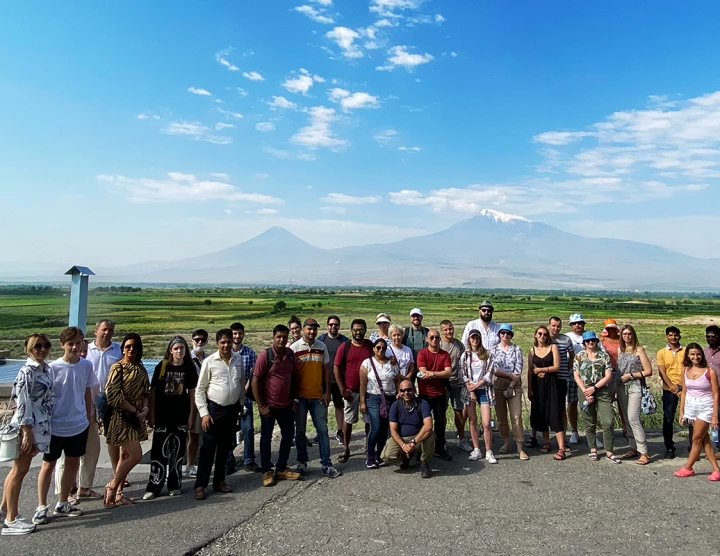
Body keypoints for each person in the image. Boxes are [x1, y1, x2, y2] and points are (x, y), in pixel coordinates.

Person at [33, 327, 94, 525]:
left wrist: (88, 413)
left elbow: (86, 392)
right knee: (48, 464)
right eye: (71, 344)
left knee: (73, 463)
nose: (75, 347)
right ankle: (41, 506)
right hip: (56, 425)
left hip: (78, 424)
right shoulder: (53, 368)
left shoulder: (86, 365)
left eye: (79, 342)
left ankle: (62, 502)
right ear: (62, 345)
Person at [0, 334, 53, 535]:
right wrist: (27, 431)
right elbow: (22, 404)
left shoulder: (45, 369)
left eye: (46, 345)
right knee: (19, 471)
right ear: (28, 349)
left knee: (18, 470)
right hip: (28, 429)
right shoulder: (27, 372)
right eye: (37, 346)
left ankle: (5, 509)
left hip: (38, 428)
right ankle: (11, 520)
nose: (42, 349)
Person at [143, 336, 198, 499]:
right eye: (176, 348)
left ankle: (175, 484)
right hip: (162, 416)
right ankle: (154, 486)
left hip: (180, 416)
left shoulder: (189, 367)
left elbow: (192, 393)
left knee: (177, 452)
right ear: (170, 350)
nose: (179, 351)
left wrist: (191, 416)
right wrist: (151, 414)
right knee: (158, 453)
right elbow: (153, 391)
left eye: (182, 348)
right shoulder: (162, 366)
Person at [194, 329, 245, 500]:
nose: (226, 345)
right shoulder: (210, 362)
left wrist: (240, 405)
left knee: (224, 448)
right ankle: (200, 485)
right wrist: (204, 414)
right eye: (222, 342)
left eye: (228, 342)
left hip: (231, 410)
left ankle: (219, 481)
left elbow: (241, 383)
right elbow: (200, 390)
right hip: (214, 410)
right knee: (208, 449)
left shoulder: (238, 360)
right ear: (217, 344)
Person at [103, 333, 151, 508]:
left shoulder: (140, 368)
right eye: (128, 346)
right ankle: (113, 485)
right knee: (136, 454)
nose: (131, 349)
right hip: (122, 417)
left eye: (135, 346)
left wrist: (144, 410)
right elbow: (112, 394)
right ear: (123, 347)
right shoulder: (118, 368)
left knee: (125, 455)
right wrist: (133, 409)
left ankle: (118, 494)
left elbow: (147, 392)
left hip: (137, 417)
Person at [290, 318, 341, 478]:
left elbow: (327, 370)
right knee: (300, 432)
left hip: (318, 396)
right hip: (301, 398)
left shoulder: (322, 346)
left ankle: (326, 464)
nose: (312, 332)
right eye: (309, 329)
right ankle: (302, 463)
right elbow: (291, 375)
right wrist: (293, 397)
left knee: (323, 431)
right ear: (303, 330)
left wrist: (327, 393)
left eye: (314, 329)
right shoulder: (294, 348)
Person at [253, 325, 302, 487]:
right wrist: (261, 405)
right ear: (273, 337)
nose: (281, 340)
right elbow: (255, 381)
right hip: (269, 406)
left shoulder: (290, 355)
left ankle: (281, 468)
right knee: (266, 438)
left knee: (288, 436)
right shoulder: (265, 356)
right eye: (278, 337)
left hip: (287, 405)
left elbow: (295, 377)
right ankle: (266, 470)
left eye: (284, 337)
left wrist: (295, 399)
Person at [674, 344, 720, 480]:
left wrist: (715, 415)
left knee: (696, 439)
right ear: (688, 355)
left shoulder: (709, 372)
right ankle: (716, 469)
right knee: (704, 439)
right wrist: (682, 411)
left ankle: (688, 467)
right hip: (691, 407)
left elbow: (716, 394)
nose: (696, 357)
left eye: (698, 354)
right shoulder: (685, 370)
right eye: (692, 354)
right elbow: (684, 392)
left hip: (705, 407)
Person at [85, 319, 121, 492]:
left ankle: (117, 474)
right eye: (104, 329)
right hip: (88, 401)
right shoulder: (86, 351)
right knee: (86, 444)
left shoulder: (118, 349)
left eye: (111, 330)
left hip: (111, 400)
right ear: (96, 331)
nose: (107, 333)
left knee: (113, 439)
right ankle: (79, 483)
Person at [573, 331, 620, 463]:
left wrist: (595, 388)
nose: (590, 343)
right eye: (588, 341)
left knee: (608, 421)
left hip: (601, 390)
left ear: (596, 341)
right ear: (584, 343)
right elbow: (576, 374)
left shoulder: (604, 356)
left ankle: (609, 450)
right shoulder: (579, 356)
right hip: (584, 389)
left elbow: (608, 375)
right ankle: (592, 448)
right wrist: (585, 390)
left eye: (593, 340)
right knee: (589, 420)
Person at [334, 319, 373, 464]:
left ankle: (369, 446)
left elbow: (379, 358)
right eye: (356, 330)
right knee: (349, 420)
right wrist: (342, 389)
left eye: (361, 330)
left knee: (369, 420)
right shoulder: (345, 347)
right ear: (351, 331)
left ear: (365, 330)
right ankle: (346, 447)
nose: (358, 332)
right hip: (351, 391)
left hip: (369, 390)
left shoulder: (370, 345)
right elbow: (336, 368)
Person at [380, 380, 435, 478]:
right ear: (399, 392)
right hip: (402, 438)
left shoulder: (422, 403)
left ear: (414, 390)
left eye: (409, 390)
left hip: (417, 438)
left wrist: (413, 442)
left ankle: (424, 463)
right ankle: (405, 457)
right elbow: (393, 430)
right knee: (386, 456)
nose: (406, 393)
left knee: (429, 434)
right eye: (402, 390)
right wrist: (403, 445)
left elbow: (428, 425)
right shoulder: (395, 405)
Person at [360, 338, 401, 468]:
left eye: (383, 348)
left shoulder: (392, 363)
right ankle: (370, 456)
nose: (381, 350)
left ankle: (380, 454)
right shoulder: (367, 363)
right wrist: (362, 402)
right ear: (373, 349)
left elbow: (397, 380)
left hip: (390, 397)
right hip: (373, 397)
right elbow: (363, 384)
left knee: (384, 428)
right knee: (376, 427)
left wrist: (399, 392)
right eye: (378, 347)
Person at [528, 326, 566, 460]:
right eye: (540, 334)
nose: (542, 336)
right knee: (542, 412)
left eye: (545, 334)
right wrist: (530, 389)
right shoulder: (532, 351)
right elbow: (530, 371)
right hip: (538, 386)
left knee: (555, 413)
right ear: (536, 335)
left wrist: (542, 370)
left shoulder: (553, 347)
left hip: (552, 384)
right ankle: (546, 442)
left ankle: (561, 448)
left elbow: (557, 366)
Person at [460, 329, 497, 464]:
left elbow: (489, 374)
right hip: (469, 391)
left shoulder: (487, 354)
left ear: (480, 339)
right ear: (469, 340)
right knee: (472, 420)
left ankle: (489, 451)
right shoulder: (465, 355)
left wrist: (476, 386)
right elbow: (462, 373)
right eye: (472, 338)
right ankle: (476, 448)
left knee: (486, 423)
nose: (475, 340)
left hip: (484, 390)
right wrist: (471, 389)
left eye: (477, 337)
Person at [616, 325, 652, 465]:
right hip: (621, 387)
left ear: (633, 335)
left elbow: (648, 371)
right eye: (624, 334)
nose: (627, 336)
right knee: (626, 418)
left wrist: (631, 375)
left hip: (635, 386)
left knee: (633, 418)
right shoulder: (620, 350)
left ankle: (644, 452)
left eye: (629, 334)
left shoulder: (639, 350)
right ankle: (633, 447)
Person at [491, 324, 527, 460]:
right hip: (499, 384)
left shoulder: (517, 349)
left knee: (516, 416)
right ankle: (507, 442)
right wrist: (509, 375)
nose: (505, 335)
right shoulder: (493, 350)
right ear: (499, 334)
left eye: (508, 333)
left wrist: (512, 382)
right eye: (503, 333)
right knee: (501, 417)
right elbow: (494, 369)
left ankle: (519, 447)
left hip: (514, 385)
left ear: (511, 335)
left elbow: (518, 368)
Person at [416, 329, 453, 461]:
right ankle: (420, 448)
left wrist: (433, 374)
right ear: (427, 339)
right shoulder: (422, 354)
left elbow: (448, 372)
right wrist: (437, 373)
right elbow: (423, 372)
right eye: (431, 338)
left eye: (437, 337)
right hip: (425, 394)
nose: (434, 340)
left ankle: (440, 448)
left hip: (440, 394)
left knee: (440, 422)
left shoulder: (445, 354)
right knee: (423, 423)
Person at [229, 322, 259, 474]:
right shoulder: (225, 353)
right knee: (228, 431)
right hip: (228, 399)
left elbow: (253, 374)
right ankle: (228, 461)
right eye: (234, 333)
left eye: (239, 333)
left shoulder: (250, 353)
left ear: (243, 334)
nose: (237, 336)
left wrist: (245, 390)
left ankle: (249, 460)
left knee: (247, 430)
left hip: (245, 398)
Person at [657, 326, 687, 459]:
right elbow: (662, 372)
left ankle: (693, 446)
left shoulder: (686, 351)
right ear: (666, 337)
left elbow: (688, 369)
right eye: (670, 335)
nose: (673, 337)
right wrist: (673, 387)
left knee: (691, 418)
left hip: (686, 388)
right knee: (668, 419)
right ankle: (669, 447)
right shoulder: (661, 352)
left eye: (675, 335)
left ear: (679, 336)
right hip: (669, 390)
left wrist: (680, 386)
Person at [440, 320, 469, 452]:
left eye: (450, 329)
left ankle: (462, 439)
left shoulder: (459, 345)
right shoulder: (439, 344)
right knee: (442, 413)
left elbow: (465, 363)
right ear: (442, 331)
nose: (449, 332)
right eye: (445, 330)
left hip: (458, 384)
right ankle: (442, 440)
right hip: (443, 383)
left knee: (459, 411)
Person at [318, 315, 348, 445]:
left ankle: (340, 431)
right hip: (323, 379)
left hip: (339, 380)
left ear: (339, 326)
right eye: (331, 324)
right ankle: (322, 432)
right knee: (323, 406)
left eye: (336, 325)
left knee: (339, 406)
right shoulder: (321, 339)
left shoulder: (344, 341)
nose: (333, 327)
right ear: (327, 326)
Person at [548, 316, 577, 446]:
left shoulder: (566, 339)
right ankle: (548, 439)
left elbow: (572, 356)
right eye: (553, 326)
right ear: (549, 325)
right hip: (548, 378)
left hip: (561, 378)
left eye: (558, 326)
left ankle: (563, 438)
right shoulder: (545, 338)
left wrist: (567, 368)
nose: (556, 328)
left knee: (561, 409)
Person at [186, 329, 208, 478]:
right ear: (192, 340)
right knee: (192, 434)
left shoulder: (209, 358)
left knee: (207, 434)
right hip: (190, 401)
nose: (199, 342)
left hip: (207, 401)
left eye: (202, 340)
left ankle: (204, 464)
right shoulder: (187, 358)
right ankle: (189, 465)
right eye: (197, 339)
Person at [601, 318, 628, 437]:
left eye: (613, 329)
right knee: (608, 400)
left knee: (623, 400)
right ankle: (608, 427)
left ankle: (625, 426)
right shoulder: (602, 341)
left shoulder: (622, 341)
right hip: (609, 373)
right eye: (609, 329)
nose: (611, 331)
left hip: (622, 372)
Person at [705, 325, 720, 453]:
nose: (711, 339)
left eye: (714, 336)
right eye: (708, 336)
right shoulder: (704, 352)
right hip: (707, 391)